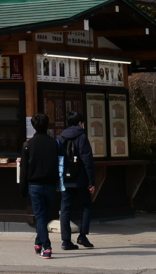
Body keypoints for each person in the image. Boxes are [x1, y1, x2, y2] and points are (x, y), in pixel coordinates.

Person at [20, 112, 59, 259]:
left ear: (33, 126)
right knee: (44, 215)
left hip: (34, 184)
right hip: (50, 184)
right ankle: (38, 243)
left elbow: (24, 170)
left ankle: (46, 247)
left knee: (41, 216)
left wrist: (22, 188)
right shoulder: (54, 143)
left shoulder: (28, 145)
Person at [58, 111, 97, 250]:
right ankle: (82, 235)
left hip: (65, 180)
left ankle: (66, 240)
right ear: (80, 123)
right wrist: (91, 181)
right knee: (86, 205)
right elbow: (87, 160)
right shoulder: (82, 137)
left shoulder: (61, 138)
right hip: (80, 180)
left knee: (65, 209)